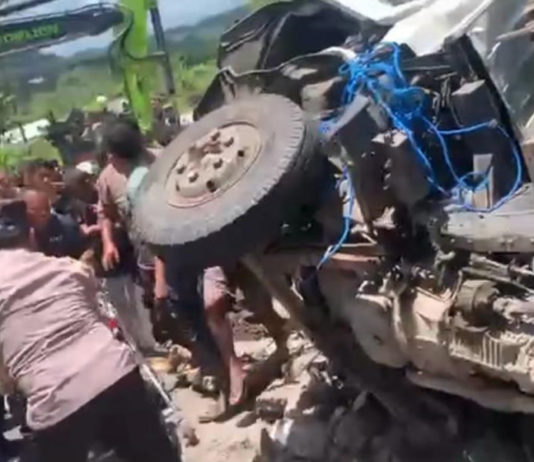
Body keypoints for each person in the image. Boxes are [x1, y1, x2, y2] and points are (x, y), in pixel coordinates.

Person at [0, 198, 181, 462]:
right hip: (115, 370)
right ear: (31, 235)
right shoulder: (66, 269)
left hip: (55, 399)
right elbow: (98, 316)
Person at [97, 118, 157, 352]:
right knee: (162, 305)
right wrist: (108, 243)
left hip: (180, 245)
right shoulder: (107, 178)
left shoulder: (164, 160)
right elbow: (106, 214)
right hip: (146, 255)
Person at [23, 189, 86, 260]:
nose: (43, 213)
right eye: (35, 209)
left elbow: (79, 256)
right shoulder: (17, 232)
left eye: (46, 208)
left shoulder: (67, 227)